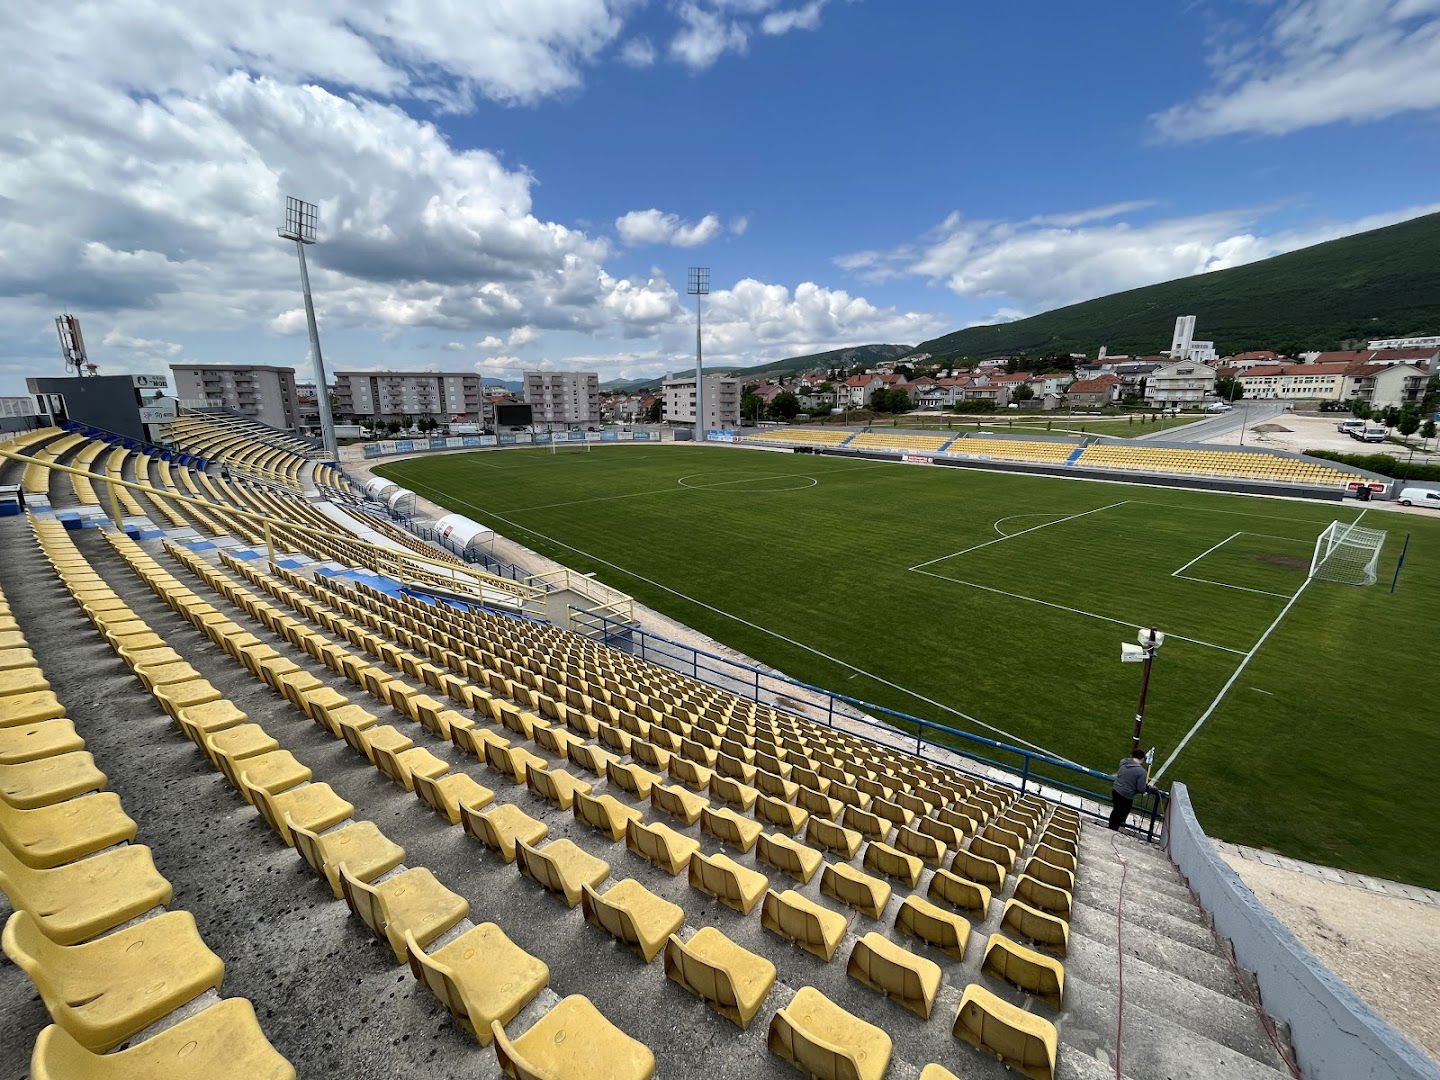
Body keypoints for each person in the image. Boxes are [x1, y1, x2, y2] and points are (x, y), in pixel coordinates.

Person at [1109, 749, 1159, 831]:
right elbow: (1141, 789)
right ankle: (1113, 829)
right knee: (1121, 814)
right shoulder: (1142, 772)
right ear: (1142, 759)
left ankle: (1111, 827)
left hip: (1115, 791)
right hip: (1126, 796)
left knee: (1115, 811)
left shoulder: (1124, 762)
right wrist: (1147, 787)